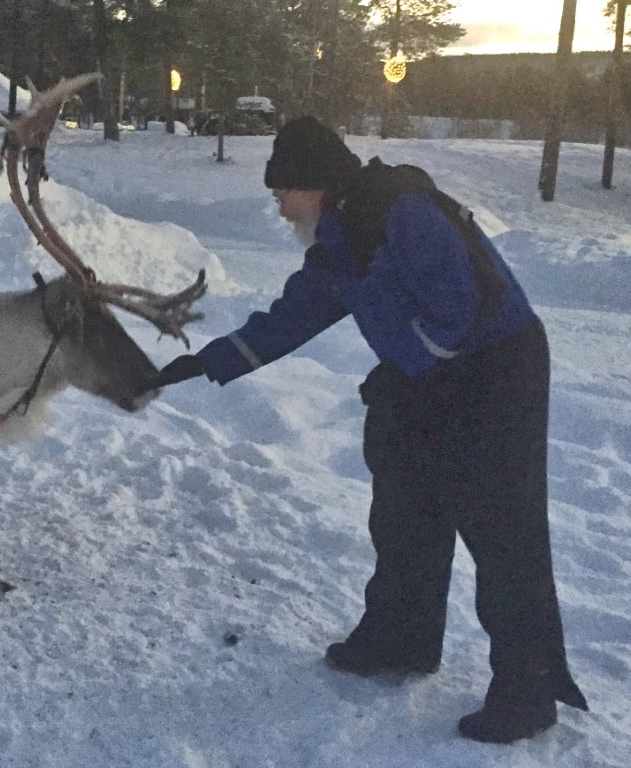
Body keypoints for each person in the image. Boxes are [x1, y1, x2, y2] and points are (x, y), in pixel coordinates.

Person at [155, 116, 588, 744]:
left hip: (498, 370)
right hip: (434, 372)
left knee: (502, 532)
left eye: (282, 194)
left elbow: (458, 310)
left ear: (315, 184)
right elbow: (296, 314)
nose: (278, 209)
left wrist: (409, 373)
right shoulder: (339, 237)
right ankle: (400, 640)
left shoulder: (402, 211)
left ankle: (529, 690)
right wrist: (210, 361)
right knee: (405, 501)